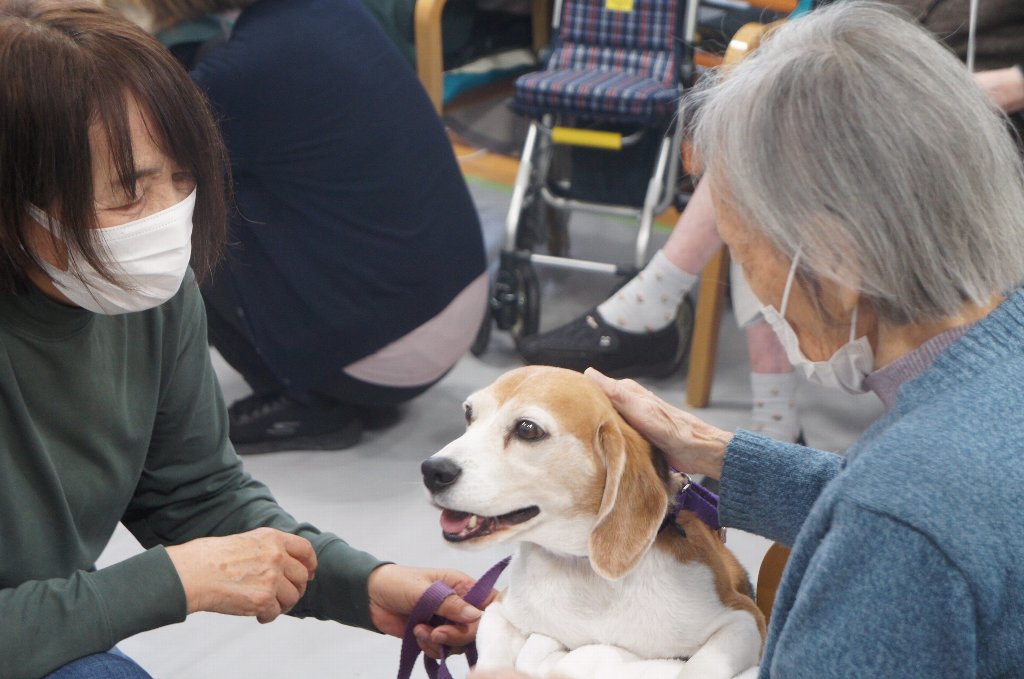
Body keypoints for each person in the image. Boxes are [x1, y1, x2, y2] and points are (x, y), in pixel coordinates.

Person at [477, 1, 1024, 675]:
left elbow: (903, 518)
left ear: (837, 259)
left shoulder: (897, 523)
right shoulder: (989, 376)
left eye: (742, 251)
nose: (757, 292)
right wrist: (712, 453)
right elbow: (918, 506)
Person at [0, 2, 486, 676]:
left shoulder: (143, 294)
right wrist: (171, 580)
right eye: (129, 193)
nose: (166, 217)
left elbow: (193, 491)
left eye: (182, 178)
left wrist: (364, 585)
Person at [518, 0, 1024, 446]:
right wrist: (730, 462)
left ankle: (661, 301)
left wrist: (1006, 84)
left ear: (842, 266)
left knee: (768, 199)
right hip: (869, 115)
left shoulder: (892, 497)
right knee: (762, 166)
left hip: (975, 129)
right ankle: (771, 420)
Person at [134, 0, 489, 455]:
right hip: (454, 308)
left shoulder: (242, 70)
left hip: (388, 358)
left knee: (177, 210)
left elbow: (135, 155)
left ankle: (302, 400)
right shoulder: (333, 10)